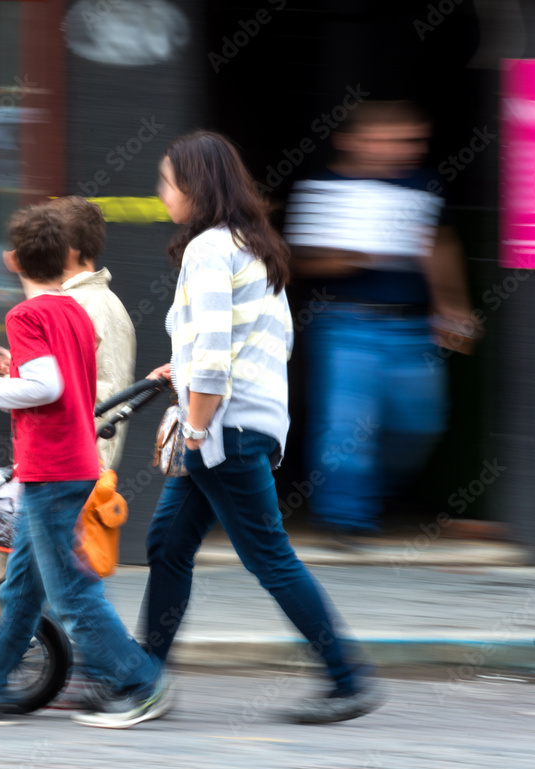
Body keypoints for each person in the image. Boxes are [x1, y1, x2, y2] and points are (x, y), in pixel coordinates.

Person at [141, 130, 382, 724]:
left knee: (269, 557)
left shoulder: (208, 250)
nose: (162, 193)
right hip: (242, 418)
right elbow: (249, 342)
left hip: (225, 427)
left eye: (167, 182)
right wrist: (186, 367)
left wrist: (194, 430)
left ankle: (347, 679)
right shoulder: (253, 245)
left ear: (194, 187)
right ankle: (143, 676)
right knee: (166, 546)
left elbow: (219, 354)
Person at [0, 203, 171, 729]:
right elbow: (67, 384)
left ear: (12, 259)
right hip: (70, 463)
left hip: (52, 469)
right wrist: (12, 372)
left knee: (72, 596)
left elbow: (49, 386)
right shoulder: (73, 312)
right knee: (20, 587)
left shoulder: (26, 315)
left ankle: (142, 682)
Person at [284, 101, 481, 540]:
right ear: (350, 141)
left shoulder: (424, 184)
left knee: (420, 422)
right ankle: (345, 517)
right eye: (388, 140)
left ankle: (379, 494)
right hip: (344, 323)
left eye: (411, 141)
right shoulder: (319, 186)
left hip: (413, 327)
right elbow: (293, 263)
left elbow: (440, 245)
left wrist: (453, 305)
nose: (401, 150)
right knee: (345, 422)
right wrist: (346, 259)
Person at [0, 196, 136, 470]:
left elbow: (56, 390)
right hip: (90, 457)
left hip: (72, 460)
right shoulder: (107, 302)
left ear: (66, 251)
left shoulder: (74, 306)